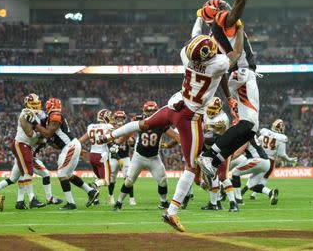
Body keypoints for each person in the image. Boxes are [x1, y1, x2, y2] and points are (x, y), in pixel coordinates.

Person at [99, 31, 244, 232]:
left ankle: (108, 136)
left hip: (174, 107)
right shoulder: (217, 64)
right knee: (191, 167)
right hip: (190, 116)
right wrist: (238, 29)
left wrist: (205, 35)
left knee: (144, 123)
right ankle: (172, 212)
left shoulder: (187, 57)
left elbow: (187, 46)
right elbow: (236, 52)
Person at [193, 0, 267, 178]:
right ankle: (210, 155)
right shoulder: (223, 20)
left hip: (236, 76)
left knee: (249, 128)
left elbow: (222, 68)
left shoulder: (212, 36)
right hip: (243, 73)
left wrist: (229, 97)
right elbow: (240, 5)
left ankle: (213, 159)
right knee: (249, 123)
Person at [28, 97, 99, 210]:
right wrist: (49, 140)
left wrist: (35, 125)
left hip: (70, 146)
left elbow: (47, 133)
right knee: (68, 175)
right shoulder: (51, 117)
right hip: (69, 146)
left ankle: (71, 203)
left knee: (61, 174)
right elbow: (56, 145)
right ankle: (91, 192)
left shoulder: (55, 115)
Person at [113, 101, 179, 211]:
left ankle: (163, 202)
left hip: (154, 157)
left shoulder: (162, 122)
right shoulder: (139, 120)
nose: (150, 113)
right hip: (139, 157)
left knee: (163, 180)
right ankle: (119, 202)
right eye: (148, 111)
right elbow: (128, 133)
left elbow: (174, 135)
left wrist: (183, 139)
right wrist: (117, 143)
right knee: (129, 181)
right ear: (144, 111)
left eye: (153, 111)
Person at [10, 93, 47, 209]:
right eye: (33, 104)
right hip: (22, 144)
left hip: (26, 145)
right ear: (27, 104)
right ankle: (32, 199)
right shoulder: (26, 113)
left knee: (24, 174)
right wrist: (42, 133)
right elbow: (30, 134)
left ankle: (20, 202)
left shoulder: (38, 115)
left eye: (37, 104)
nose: (35, 106)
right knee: (28, 171)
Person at [249, 119, 297, 200]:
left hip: (259, 157)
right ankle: (261, 193)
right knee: (264, 178)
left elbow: (259, 140)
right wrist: (290, 160)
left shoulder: (264, 131)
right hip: (270, 161)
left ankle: (252, 194)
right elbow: (282, 154)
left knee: (254, 178)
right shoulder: (282, 138)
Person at [79, 109, 115, 205]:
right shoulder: (108, 126)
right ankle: (92, 187)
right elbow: (114, 138)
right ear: (105, 116)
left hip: (92, 155)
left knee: (99, 178)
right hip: (102, 156)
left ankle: (95, 199)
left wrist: (77, 147)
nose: (111, 118)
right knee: (106, 180)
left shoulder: (91, 126)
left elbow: (81, 140)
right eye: (109, 116)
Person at [231, 137, 279, 205]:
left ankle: (239, 200)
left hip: (257, 160)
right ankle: (271, 192)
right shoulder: (252, 135)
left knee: (235, 173)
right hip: (266, 162)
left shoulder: (245, 135)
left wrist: (228, 159)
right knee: (252, 186)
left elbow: (238, 152)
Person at [108, 110, 135, 206]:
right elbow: (108, 142)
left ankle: (132, 198)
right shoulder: (111, 128)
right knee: (112, 178)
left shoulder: (127, 128)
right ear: (115, 119)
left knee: (128, 177)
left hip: (125, 156)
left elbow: (132, 143)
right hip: (114, 156)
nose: (120, 120)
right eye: (118, 118)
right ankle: (110, 196)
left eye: (121, 118)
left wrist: (131, 141)